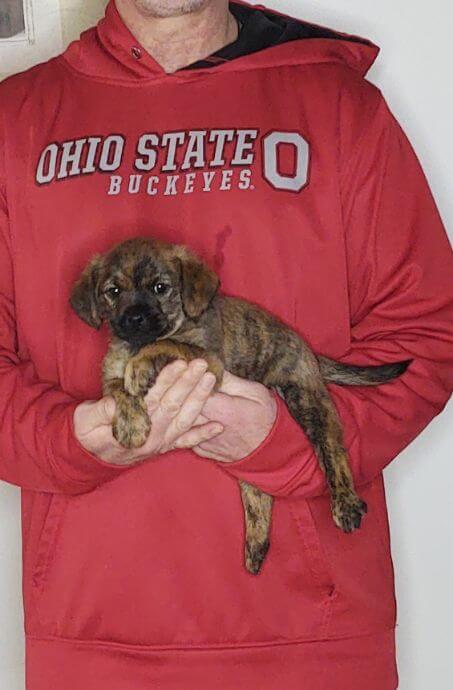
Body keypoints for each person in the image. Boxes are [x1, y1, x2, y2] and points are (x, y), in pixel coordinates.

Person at [0, 1, 452, 688]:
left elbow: (426, 335)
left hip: (310, 643)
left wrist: (286, 446)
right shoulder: (16, 120)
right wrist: (69, 441)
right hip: (94, 641)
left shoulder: (339, 108)